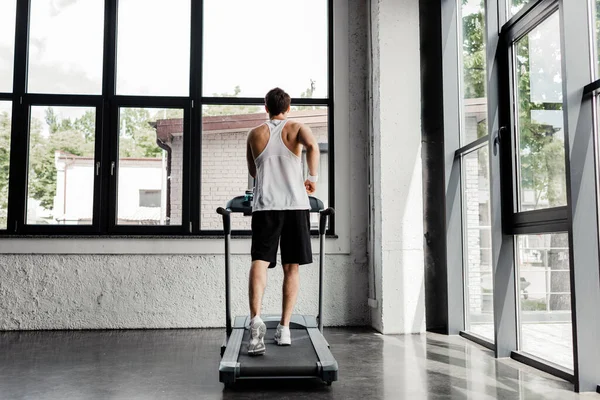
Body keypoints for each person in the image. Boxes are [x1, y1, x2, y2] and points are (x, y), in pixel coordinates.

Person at [245, 87, 320, 356]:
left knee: (260, 262)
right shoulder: (297, 127)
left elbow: (253, 170)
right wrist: (312, 178)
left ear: (266, 107)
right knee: (292, 268)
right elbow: (313, 147)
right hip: (295, 205)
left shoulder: (255, 133)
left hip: (265, 206)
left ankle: (256, 322)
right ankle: (285, 328)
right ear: (287, 108)